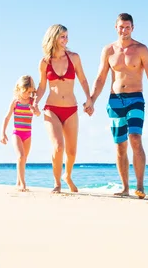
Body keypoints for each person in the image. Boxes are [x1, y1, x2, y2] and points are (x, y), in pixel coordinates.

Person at [86, 13, 148, 199]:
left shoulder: (141, 49)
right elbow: (101, 77)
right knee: (120, 146)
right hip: (115, 99)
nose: (124, 30)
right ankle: (125, 188)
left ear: (132, 28)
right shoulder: (109, 50)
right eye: (121, 27)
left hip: (136, 98)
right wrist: (91, 100)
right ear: (116, 27)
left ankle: (140, 186)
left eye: (127, 27)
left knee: (135, 138)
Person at [34, 24, 93, 193]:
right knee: (58, 146)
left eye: (67, 36)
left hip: (71, 109)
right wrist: (36, 102)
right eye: (62, 36)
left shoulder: (74, 58)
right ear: (53, 38)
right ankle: (57, 183)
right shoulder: (45, 62)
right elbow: (42, 85)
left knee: (72, 151)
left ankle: (67, 176)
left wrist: (89, 99)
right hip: (51, 109)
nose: (66, 39)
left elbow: (82, 79)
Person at [1, 75, 41, 192]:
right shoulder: (15, 102)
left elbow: (38, 114)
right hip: (17, 133)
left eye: (30, 92)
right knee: (20, 156)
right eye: (26, 91)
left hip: (28, 134)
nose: (28, 94)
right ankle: (23, 184)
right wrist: (3, 133)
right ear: (19, 88)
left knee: (24, 159)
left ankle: (18, 182)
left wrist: (35, 111)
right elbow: (7, 117)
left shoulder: (32, 101)